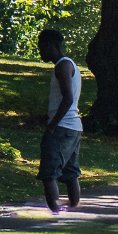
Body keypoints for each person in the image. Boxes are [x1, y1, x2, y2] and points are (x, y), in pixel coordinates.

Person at [38, 29, 83, 214]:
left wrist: (52, 125)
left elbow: (68, 99)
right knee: (70, 173)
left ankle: (55, 213)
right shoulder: (69, 64)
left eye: (41, 47)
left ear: (50, 45)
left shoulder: (63, 66)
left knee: (49, 174)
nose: (40, 52)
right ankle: (73, 209)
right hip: (73, 127)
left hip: (62, 128)